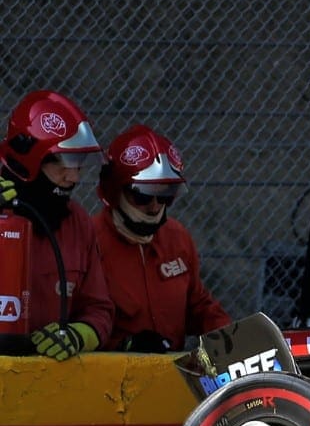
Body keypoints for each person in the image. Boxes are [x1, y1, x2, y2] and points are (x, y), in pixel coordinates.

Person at [91, 124, 230, 350]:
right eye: (143, 196)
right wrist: (123, 347)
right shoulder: (89, 242)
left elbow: (199, 306)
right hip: (109, 375)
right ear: (115, 191)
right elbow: (78, 319)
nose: (155, 206)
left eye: (164, 194)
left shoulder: (177, 238)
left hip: (172, 370)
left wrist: (230, 337)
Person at [1, 90, 112, 360]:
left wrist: (76, 335)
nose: (73, 177)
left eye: (79, 163)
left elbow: (99, 310)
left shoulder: (77, 222)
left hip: (48, 380)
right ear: (32, 158)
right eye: (66, 162)